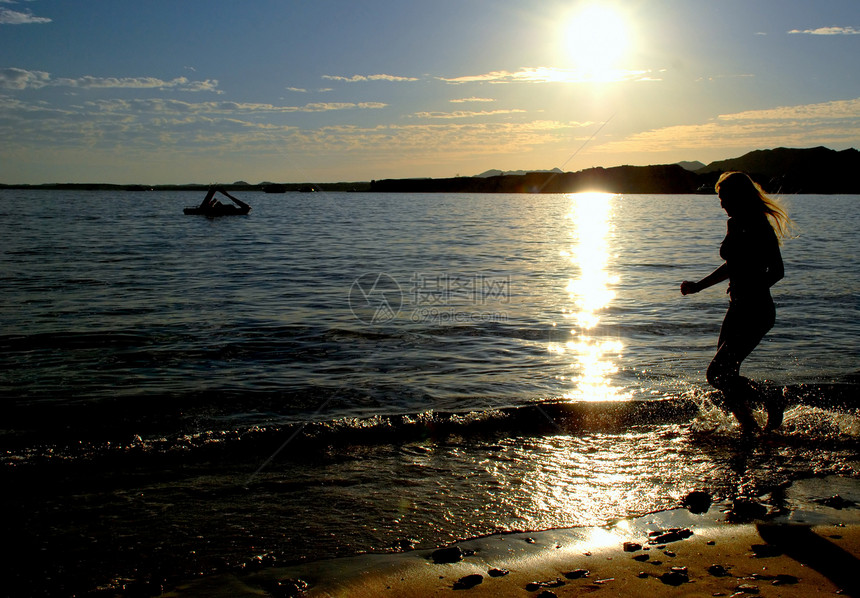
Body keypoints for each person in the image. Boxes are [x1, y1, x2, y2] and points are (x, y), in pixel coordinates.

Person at [681, 171, 792, 434]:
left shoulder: (760, 226)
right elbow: (732, 266)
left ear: (738, 196)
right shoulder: (735, 224)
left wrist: (751, 288)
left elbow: (777, 270)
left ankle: (771, 399)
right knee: (726, 375)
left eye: (724, 197)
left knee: (717, 374)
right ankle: (749, 429)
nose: (721, 203)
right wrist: (699, 286)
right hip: (737, 308)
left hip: (756, 309)